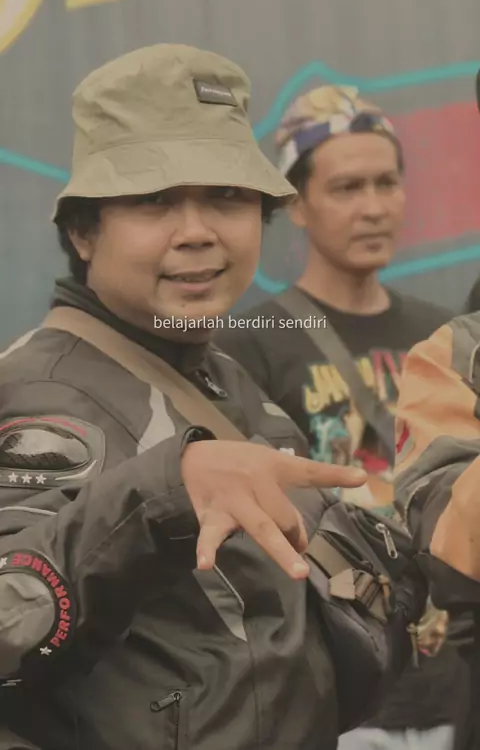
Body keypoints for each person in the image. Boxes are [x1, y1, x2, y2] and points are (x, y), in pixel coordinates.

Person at [0, 45, 424, 750]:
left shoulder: (222, 374)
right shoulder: (41, 393)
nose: (197, 232)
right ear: (83, 230)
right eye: (154, 200)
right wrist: (161, 493)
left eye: (226, 197)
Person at [217, 85, 465, 749]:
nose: (374, 207)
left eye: (387, 183)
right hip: (339, 697)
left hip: (455, 686)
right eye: (348, 187)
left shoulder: (445, 334)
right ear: (297, 204)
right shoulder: (250, 344)